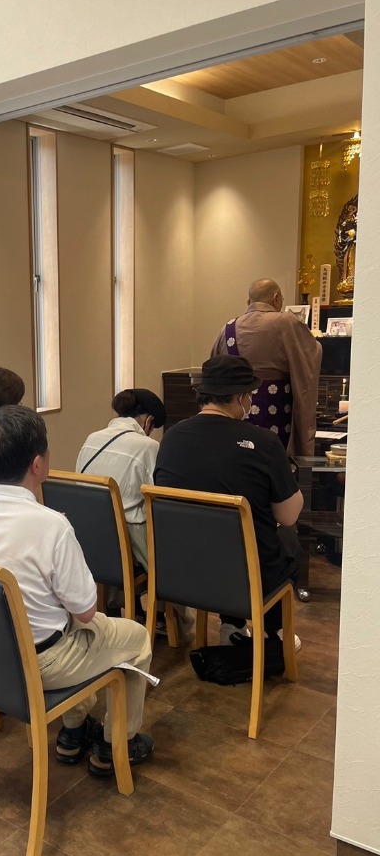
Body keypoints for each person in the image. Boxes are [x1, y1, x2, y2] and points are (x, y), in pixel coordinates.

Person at [0, 405, 154, 774]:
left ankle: (73, 732)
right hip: (40, 663)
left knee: (70, 628)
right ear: (38, 464)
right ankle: (116, 745)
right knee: (135, 638)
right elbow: (85, 609)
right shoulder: (52, 525)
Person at [154, 356, 304, 648]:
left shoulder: (171, 437)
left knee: (218, 536)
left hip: (180, 571)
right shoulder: (263, 442)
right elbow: (288, 516)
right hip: (244, 577)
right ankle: (271, 632)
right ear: (240, 397)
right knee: (287, 540)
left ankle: (231, 627)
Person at [210, 278, 322, 455]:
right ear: (276, 298)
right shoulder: (286, 322)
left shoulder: (227, 328)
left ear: (248, 302)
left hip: (236, 410)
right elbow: (311, 352)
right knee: (272, 457)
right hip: (275, 407)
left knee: (241, 457)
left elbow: (213, 369)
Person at [75, 388, 166, 569]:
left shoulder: (92, 438)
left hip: (90, 531)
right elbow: (158, 495)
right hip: (129, 535)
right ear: (149, 421)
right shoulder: (148, 446)